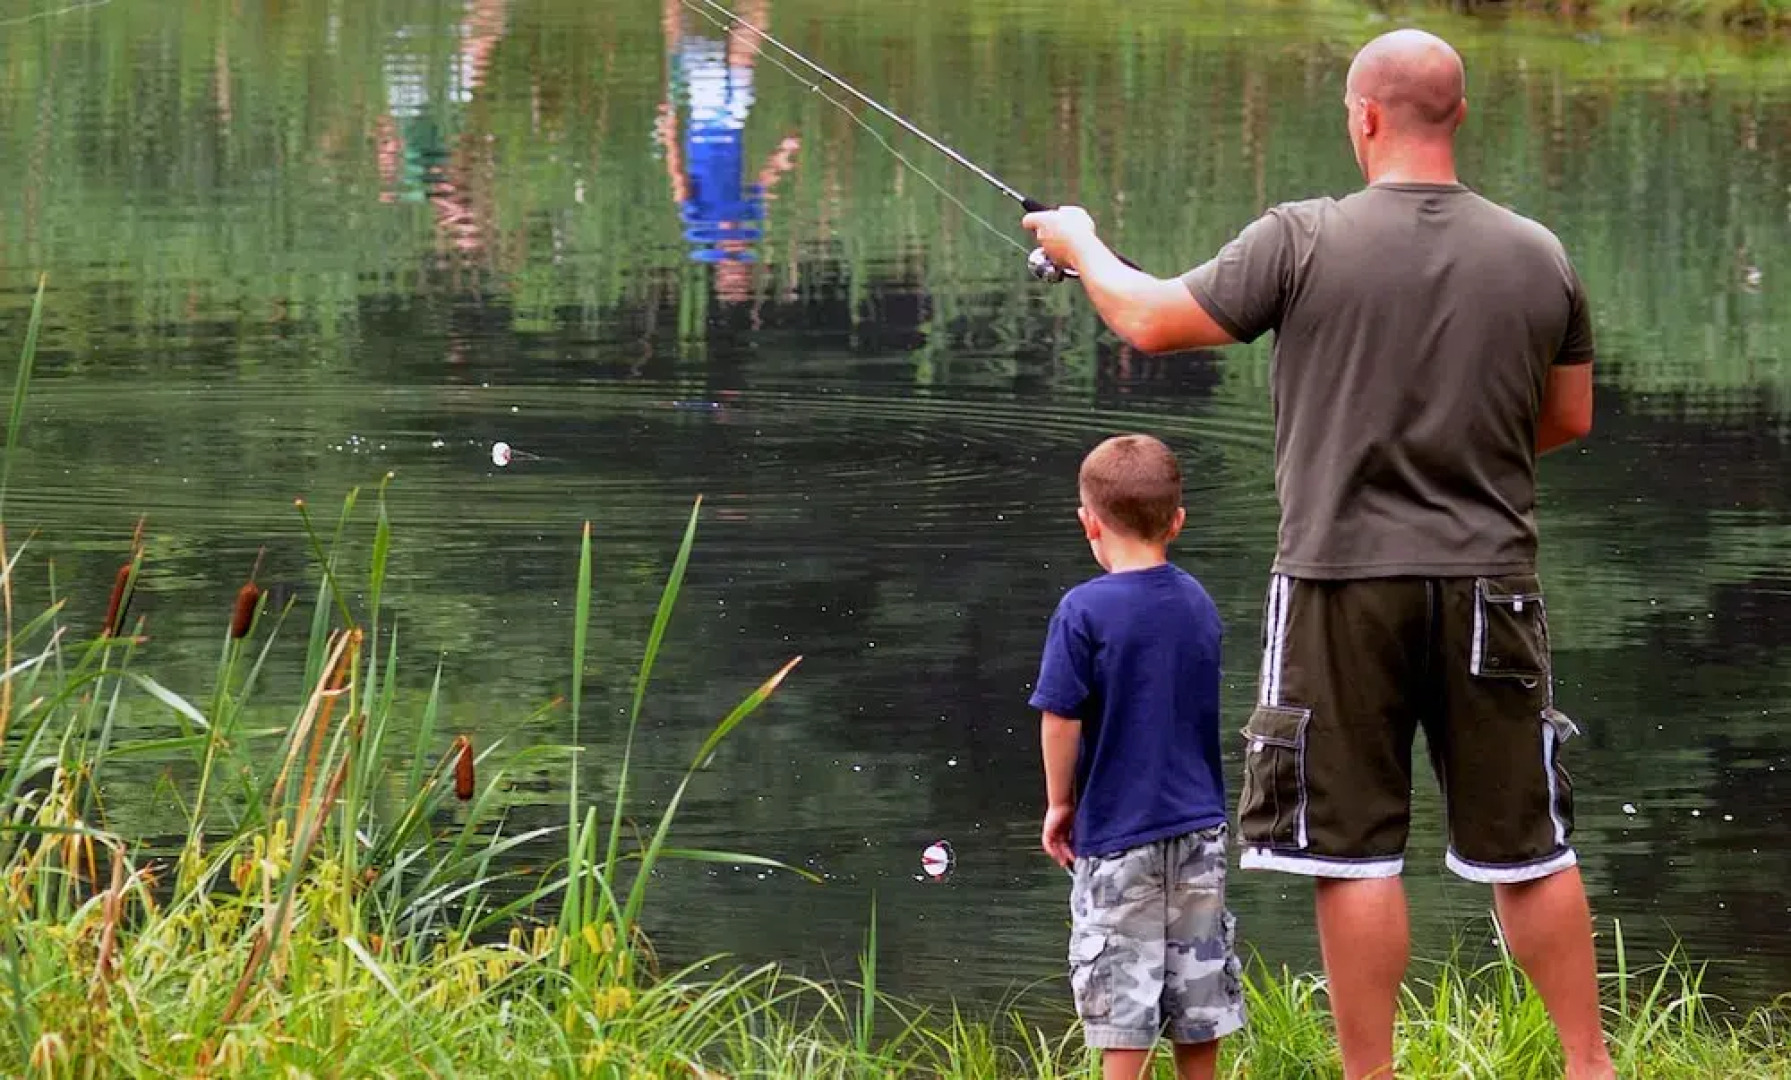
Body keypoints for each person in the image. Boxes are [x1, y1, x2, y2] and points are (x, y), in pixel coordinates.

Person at [1020, 28, 1613, 1080]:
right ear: (1458, 115)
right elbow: (1567, 418)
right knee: (1529, 843)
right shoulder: (1538, 254)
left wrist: (1078, 245)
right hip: (1492, 583)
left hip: (1342, 583)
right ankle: (1590, 1068)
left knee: (1353, 851)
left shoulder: (1302, 238)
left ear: (1366, 117)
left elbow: (1153, 321)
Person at [1030, 434, 1245, 1080]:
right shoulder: (1197, 602)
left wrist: (1059, 803)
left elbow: (1060, 717)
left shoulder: (1082, 611)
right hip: (1198, 830)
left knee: (1123, 1011)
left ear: (1087, 522)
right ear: (1176, 521)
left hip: (1118, 837)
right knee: (1198, 1000)